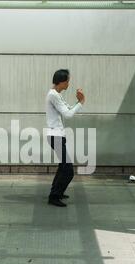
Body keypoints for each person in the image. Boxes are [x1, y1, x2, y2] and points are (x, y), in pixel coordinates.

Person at [45, 69, 85, 207]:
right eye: (67, 81)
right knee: (68, 170)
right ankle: (54, 196)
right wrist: (81, 102)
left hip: (57, 136)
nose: (69, 83)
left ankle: (57, 193)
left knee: (63, 167)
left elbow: (67, 109)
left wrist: (78, 101)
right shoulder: (53, 95)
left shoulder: (56, 94)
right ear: (61, 82)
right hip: (55, 136)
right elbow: (68, 115)